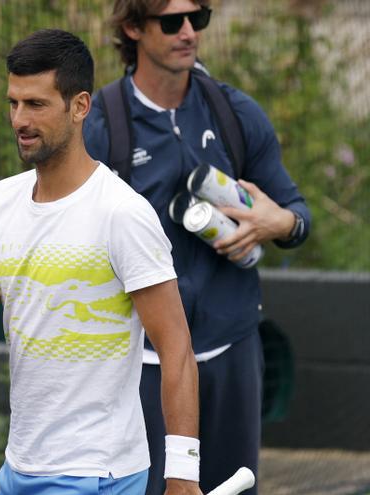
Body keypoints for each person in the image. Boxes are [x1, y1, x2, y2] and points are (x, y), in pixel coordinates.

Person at [0, 29, 201, 495]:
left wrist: (183, 474)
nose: (19, 119)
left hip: (99, 473)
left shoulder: (122, 214)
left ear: (79, 107)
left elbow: (176, 347)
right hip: (19, 467)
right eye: (13, 103)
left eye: (36, 105)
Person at [82, 1, 311, 493]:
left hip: (232, 348)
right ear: (133, 28)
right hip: (141, 360)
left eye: (198, 18)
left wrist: (280, 222)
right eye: (172, 21)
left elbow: (298, 216)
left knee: (233, 487)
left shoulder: (235, 112)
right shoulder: (101, 125)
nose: (189, 32)